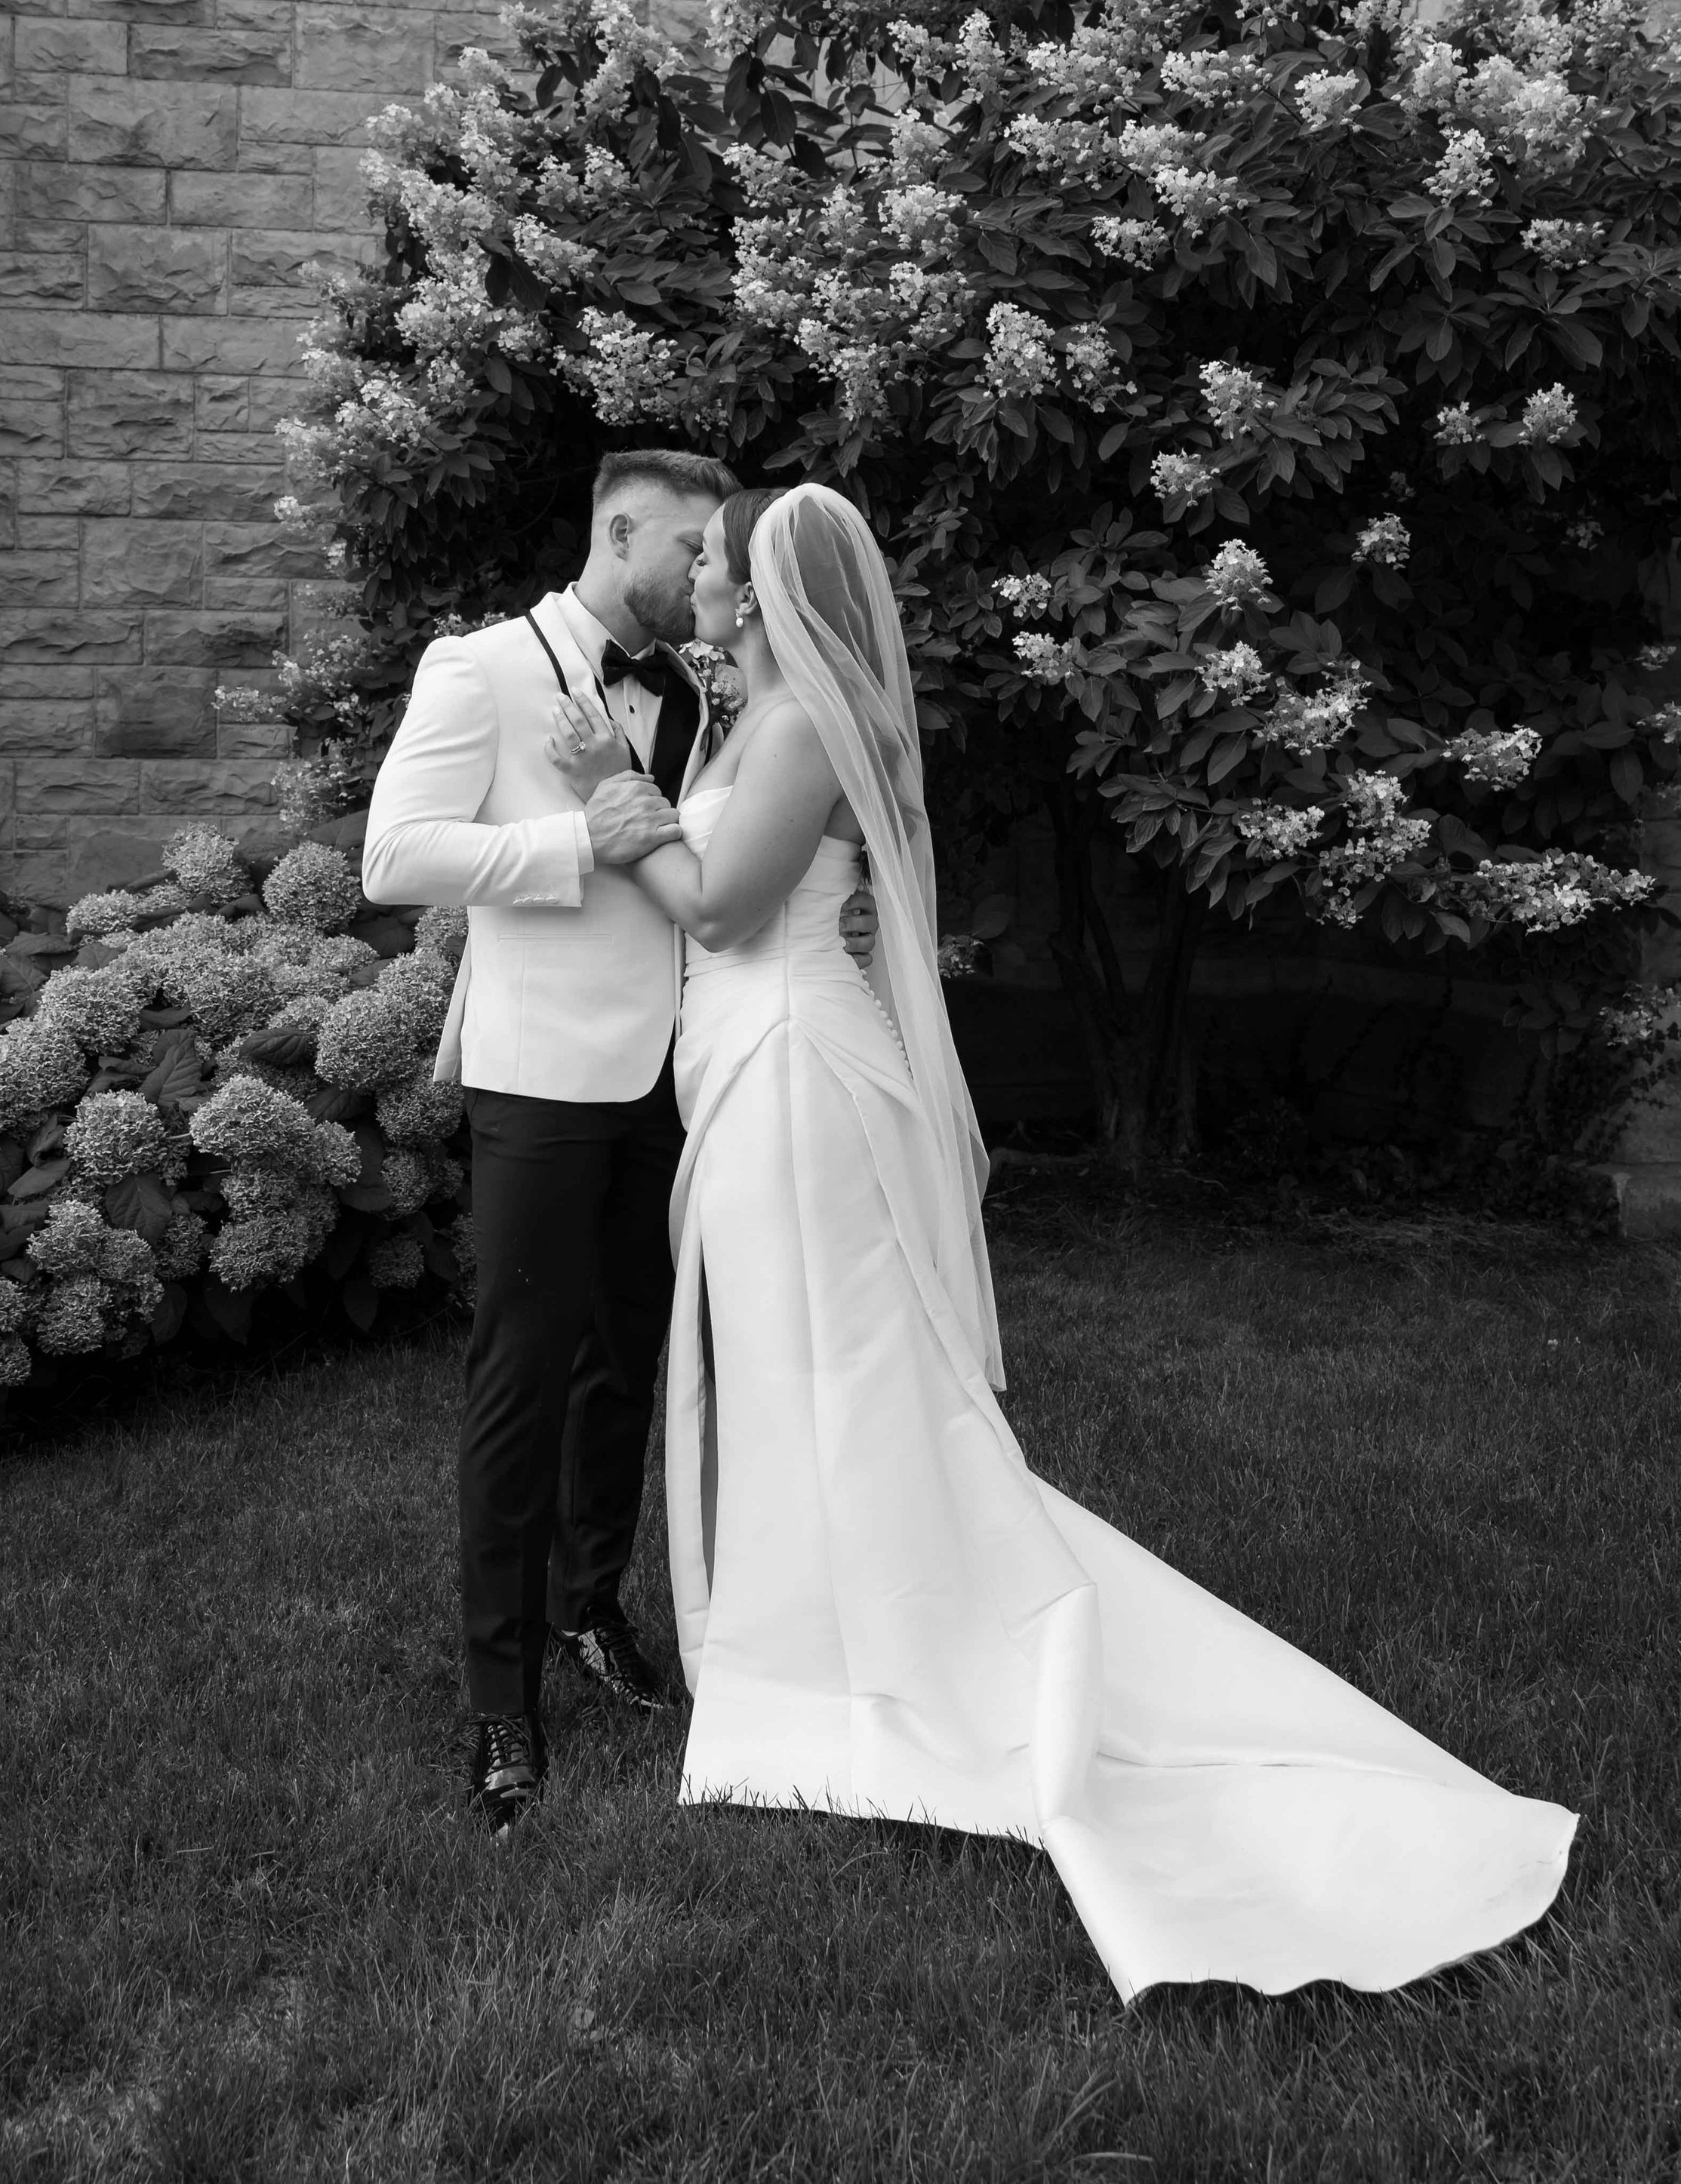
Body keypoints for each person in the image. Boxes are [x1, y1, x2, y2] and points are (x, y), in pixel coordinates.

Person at [543, 480, 1578, 2001]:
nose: (689, 577)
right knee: (798, 1370)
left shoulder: (801, 729)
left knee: (835, 1366)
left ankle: (884, 1662)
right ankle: (815, 1645)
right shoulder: (763, 720)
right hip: (759, 1064)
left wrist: (603, 793)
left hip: (788, 1080)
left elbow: (717, 903)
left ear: (758, 595)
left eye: (707, 560)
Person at [360, 451, 873, 1836]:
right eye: (695, 544)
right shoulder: (480, 669)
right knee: (520, 1376)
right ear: (620, 528)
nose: (714, 567)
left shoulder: (717, 683)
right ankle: (498, 1699)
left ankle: (595, 1609)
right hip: (542, 1076)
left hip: (682, 1077)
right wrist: (579, 842)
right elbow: (394, 856)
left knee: (629, 1363)